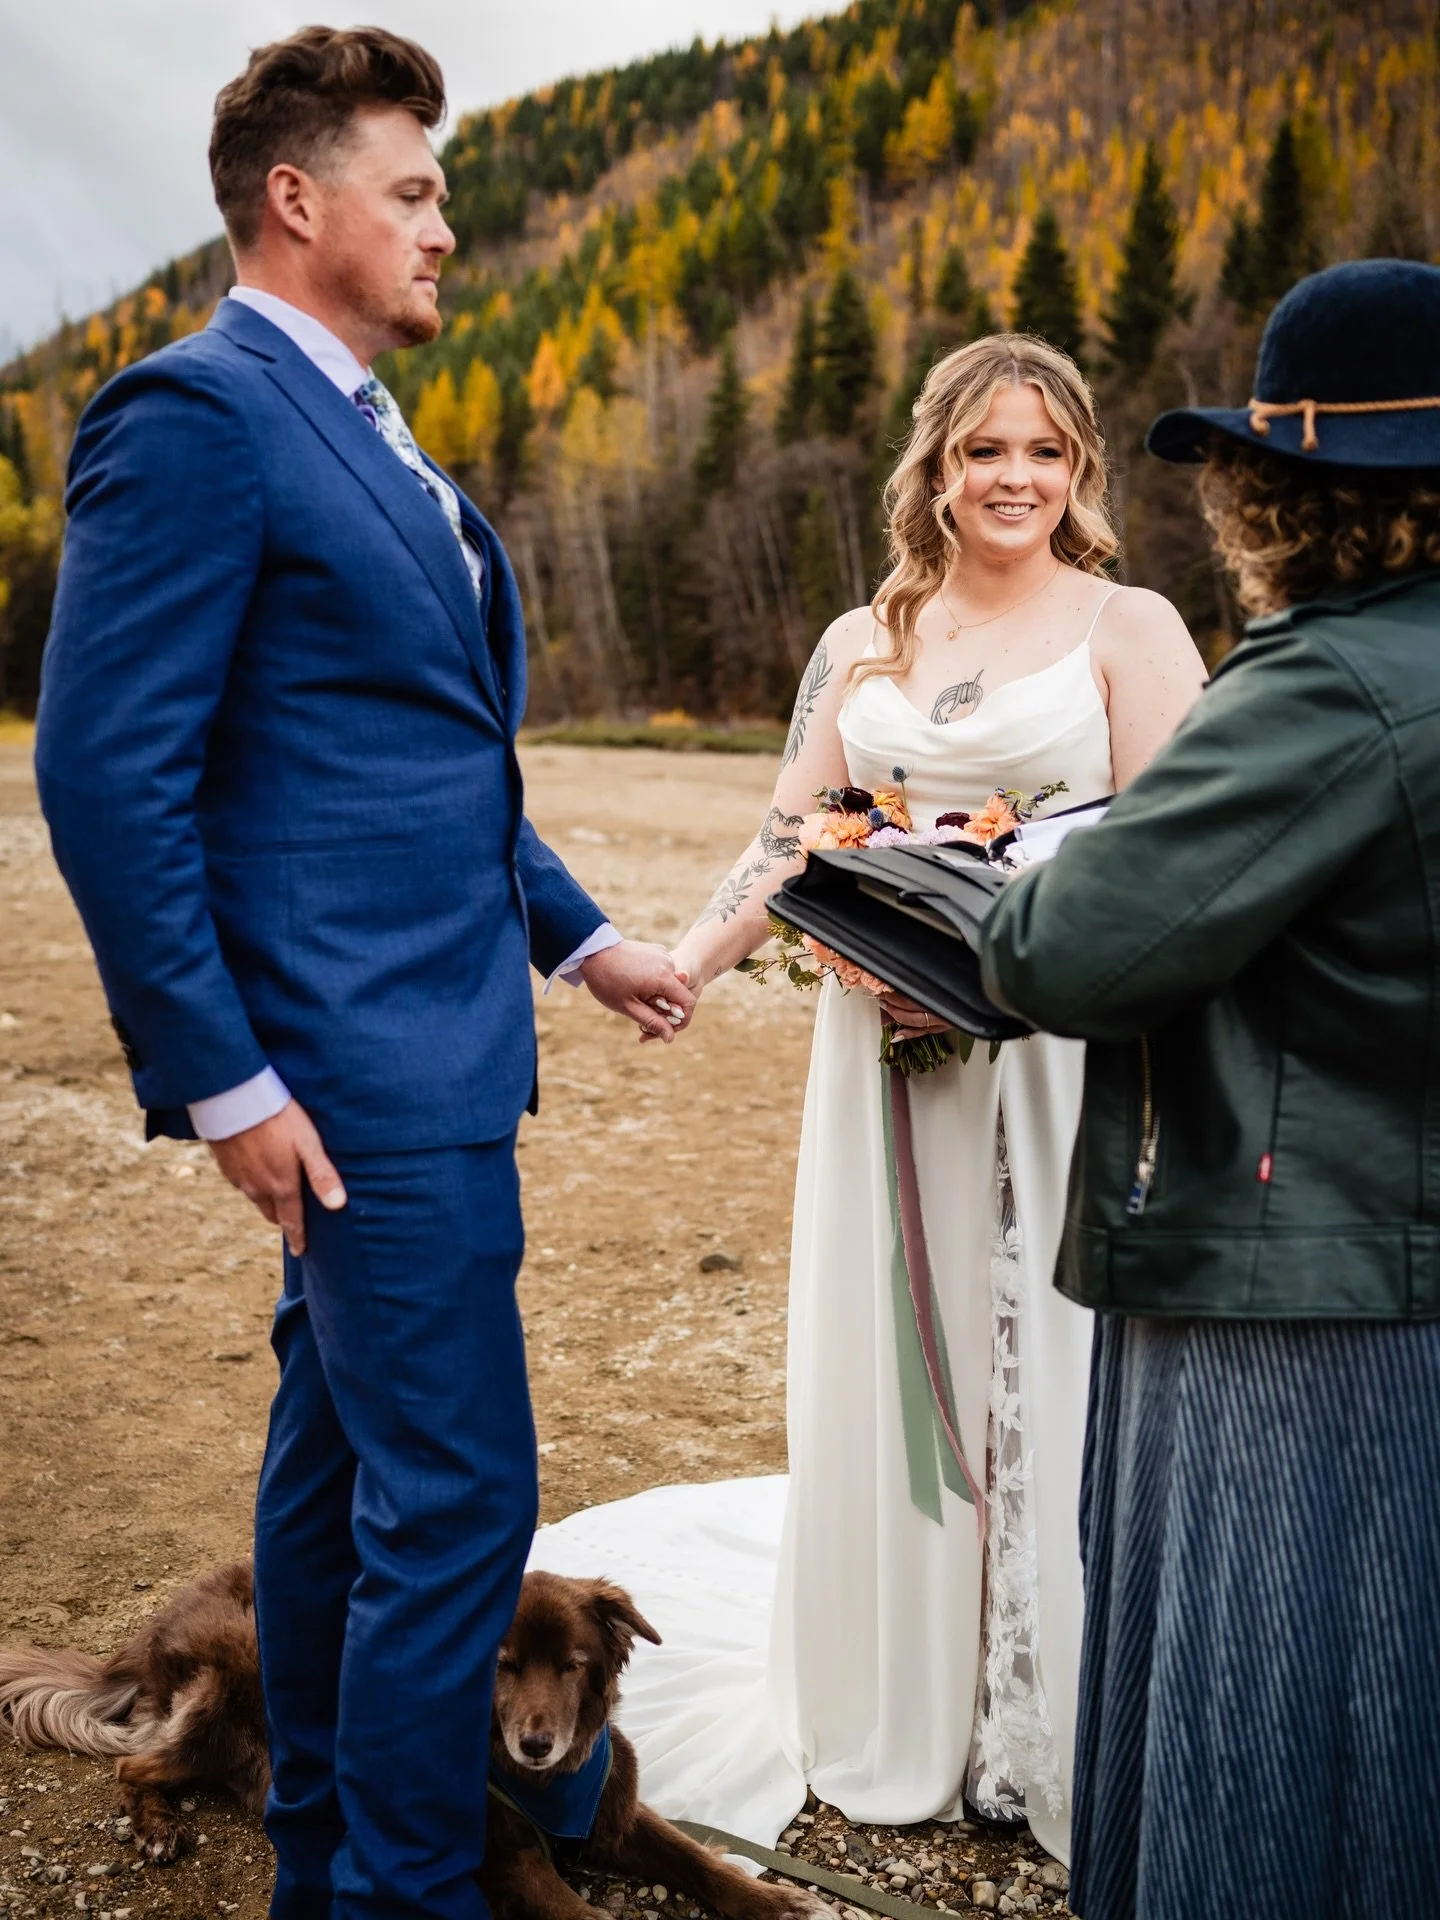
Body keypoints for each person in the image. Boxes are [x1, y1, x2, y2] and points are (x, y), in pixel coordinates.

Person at [34, 29, 693, 1920]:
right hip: (352, 1079)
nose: (446, 229)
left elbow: (423, 760)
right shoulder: (196, 415)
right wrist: (224, 1075)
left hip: (436, 1051)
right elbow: (108, 769)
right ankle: (409, 1894)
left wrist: (580, 938)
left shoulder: (372, 429)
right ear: (295, 200)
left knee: (332, 1498)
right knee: (462, 1508)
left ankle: (328, 1860)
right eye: (413, 192)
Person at [530, 334, 1204, 1864]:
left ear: (1081, 467)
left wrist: (1019, 955)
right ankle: (906, 1683)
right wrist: (688, 963)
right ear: (938, 469)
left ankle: (1049, 1705)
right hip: (883, 1056)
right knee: (903, 1346)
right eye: (984, 452)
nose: (1013, 479)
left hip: (1046, 1049)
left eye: (1043, 451)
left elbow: (1178, 852)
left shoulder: (1130, 624)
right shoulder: (864, 638)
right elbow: (792, 839)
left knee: (1042, 1345)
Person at [979, 258, 1440, 1916]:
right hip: (1408, 1252)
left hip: (1288, 1279)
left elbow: (1064, 951)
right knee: (1398, 1707)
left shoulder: (1330, 682)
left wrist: (1038, 879)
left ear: (1280, 488)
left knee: (1259, 1707)